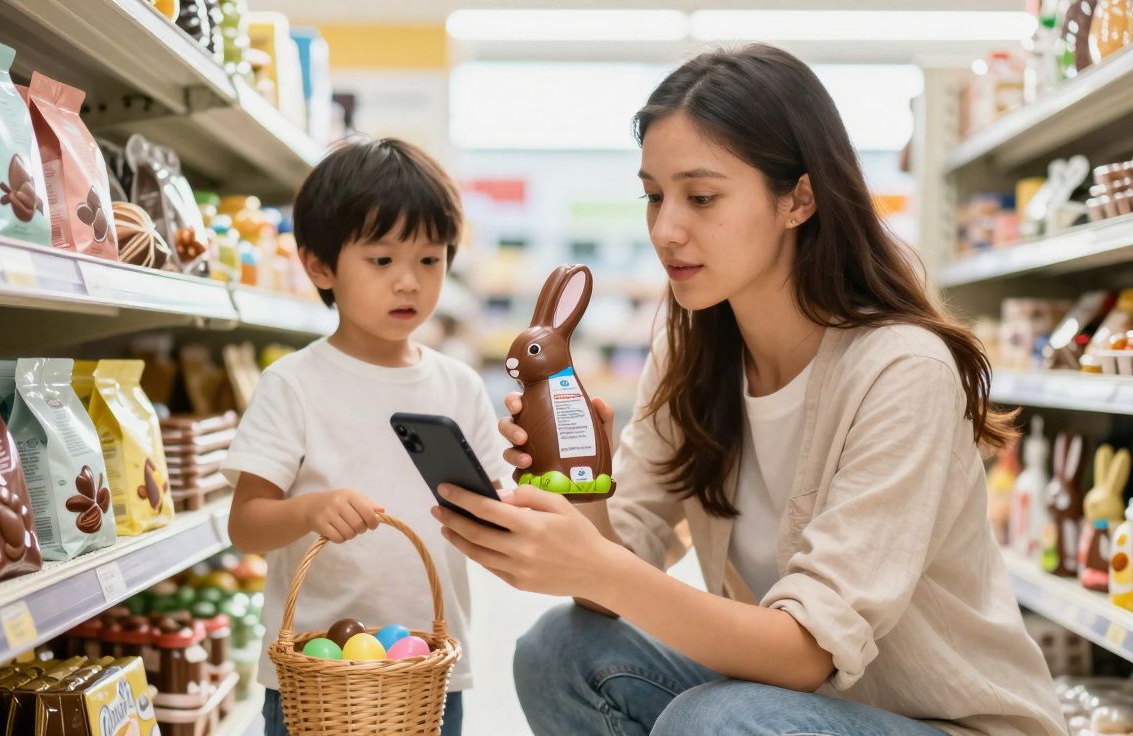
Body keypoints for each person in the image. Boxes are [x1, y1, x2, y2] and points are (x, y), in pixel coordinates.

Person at [432, 45, 1066, 736]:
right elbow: (614, 580)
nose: (666, 230)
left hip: (942, 724)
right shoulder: (692, 350)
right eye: (654, 196)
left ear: (799, 199)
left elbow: (805, 654)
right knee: (559, 649)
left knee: (718, 718)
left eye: (701, 198)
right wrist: (580, 486)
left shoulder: (902, 370)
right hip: (791, 712)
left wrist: (601, 569)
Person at [223, 138, 509, 736]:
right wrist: (309, 510)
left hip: (428, 671)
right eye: (381, 261)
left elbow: (498, 511)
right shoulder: (294, 384)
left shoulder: (458, 385)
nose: (409, 283)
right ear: (319, 266)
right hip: (315, 674)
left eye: (429, 260)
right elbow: (245, 525)